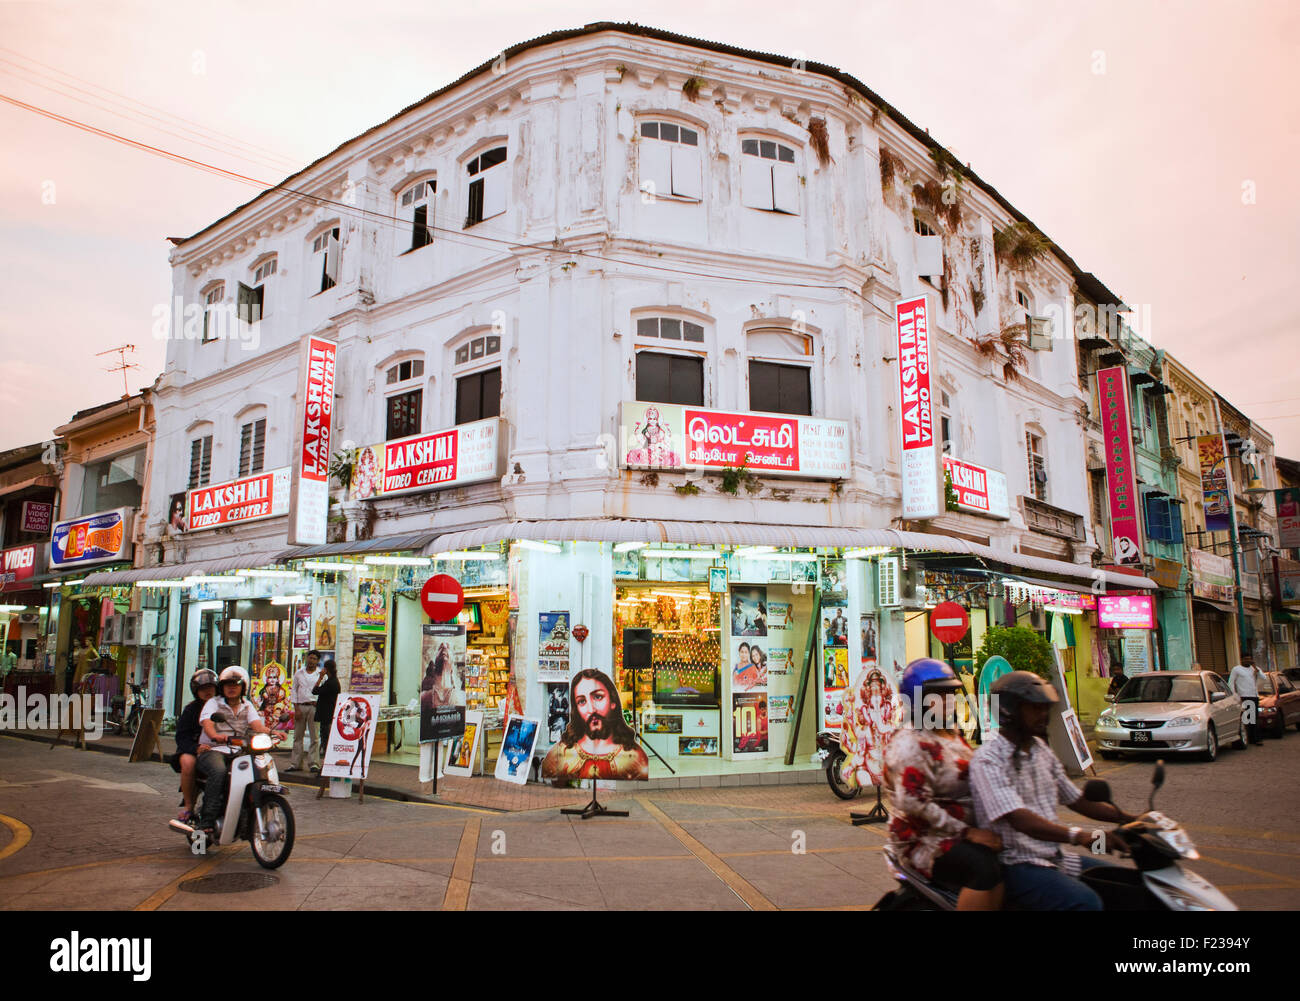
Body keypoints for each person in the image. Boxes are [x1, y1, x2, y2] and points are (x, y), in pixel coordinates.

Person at [969, 671, 1137, 911]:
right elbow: (1019, 819)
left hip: (1055, 858)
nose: (1044, 715)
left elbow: (1077, 800)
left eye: (1045, 708)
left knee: (1126, 886)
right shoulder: (988, 759)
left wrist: (1131, 820)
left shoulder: (1040, 750)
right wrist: (1080, 836)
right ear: (1010, 711)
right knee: (1086, 902)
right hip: (1016, 865)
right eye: (1035, 708)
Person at [883, 658, 1003, 911]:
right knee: (984, 868)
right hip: (926, 838)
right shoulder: (911, 742)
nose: (948, 700)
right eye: (938, 694)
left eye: (950, 693)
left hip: (964, 827)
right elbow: (913, 802)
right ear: (918, 699)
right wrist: (967, 833)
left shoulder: (951, 731)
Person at [196, 666, 272, 839]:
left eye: (236, 684)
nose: (231, 687)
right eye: (227, 684)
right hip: (213, 749)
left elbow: (256, 725)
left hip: (238, 751)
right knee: (219, 771)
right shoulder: (214, 703)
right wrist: (215, 736)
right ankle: (207, 821)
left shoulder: (247, 705)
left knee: (256, 771)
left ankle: (245, 816)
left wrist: (273, 732)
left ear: (243, 687)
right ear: (221, 687)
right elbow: (207, 723)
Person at [541, 668, 649, 780]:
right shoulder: (560, 754)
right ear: (576, 710)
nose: (591, 709)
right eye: (582, 701)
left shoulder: (634, 757)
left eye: (598, 697)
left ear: (613, 702)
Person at [174, 669, 217, 822]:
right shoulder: (191, 710)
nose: (207, 692)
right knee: (188, 762)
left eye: (210, 688)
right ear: (196, 691)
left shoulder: (224, 706)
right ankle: (188, 806)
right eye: (203, 689)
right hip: (194, 748)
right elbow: (181, 737)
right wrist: (195, 748)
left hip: (219, 748)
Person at [286, 650, 321, 772]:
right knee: (297, 736)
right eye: (310, 658)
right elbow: (294, 691)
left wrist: (319, 704)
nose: (311, 661)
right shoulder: (299, 673)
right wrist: (296, 708)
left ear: (317, 661)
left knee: (314, 737)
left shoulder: (321, 675)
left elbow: (323, 691)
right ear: (306, 658)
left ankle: (314, 763)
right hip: (300, 706)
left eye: (314, 659)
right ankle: (295, 764)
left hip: (314, 707)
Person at [1228, 653, 1268, 746]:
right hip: (1244, 696)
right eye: (1246, 659)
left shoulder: (1254, 669)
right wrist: (1235, 696)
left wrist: (1256, 668)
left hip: (1254, 695)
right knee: (1247, 718)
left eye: (1249, 659)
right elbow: (1231, 683)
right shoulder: (1236, 669)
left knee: (1254, 718)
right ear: (1241, 660)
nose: (1248, 661)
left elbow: (1264, 677)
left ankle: (1255, 738)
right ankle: (1251, 738)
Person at [312, 658, 340, 760]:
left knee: (325, 738)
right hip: (328, 713)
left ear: (326, 669)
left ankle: (327, 760)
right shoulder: (332, 681)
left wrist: (320, 678)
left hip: (326, 714)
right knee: (325, 736)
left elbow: (315, 691)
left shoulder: (331, 682)